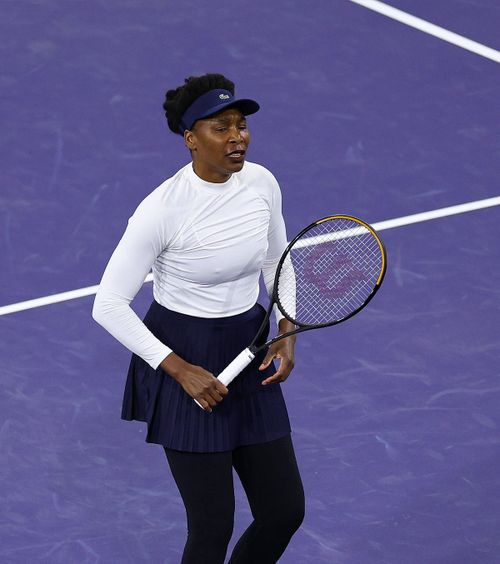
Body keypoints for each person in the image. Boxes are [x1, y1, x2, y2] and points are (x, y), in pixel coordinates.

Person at [92, 73, 305, 563]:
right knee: (212, 526)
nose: (237, 137)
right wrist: (180, 370)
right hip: (184, 353)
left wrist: (286, 327)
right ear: (191, 139)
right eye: (220, 127)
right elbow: (108, 304)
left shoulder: (262, 182)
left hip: (249, 345)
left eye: (241, 125)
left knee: (282, 511)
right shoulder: (161, 210)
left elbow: (276, 260)